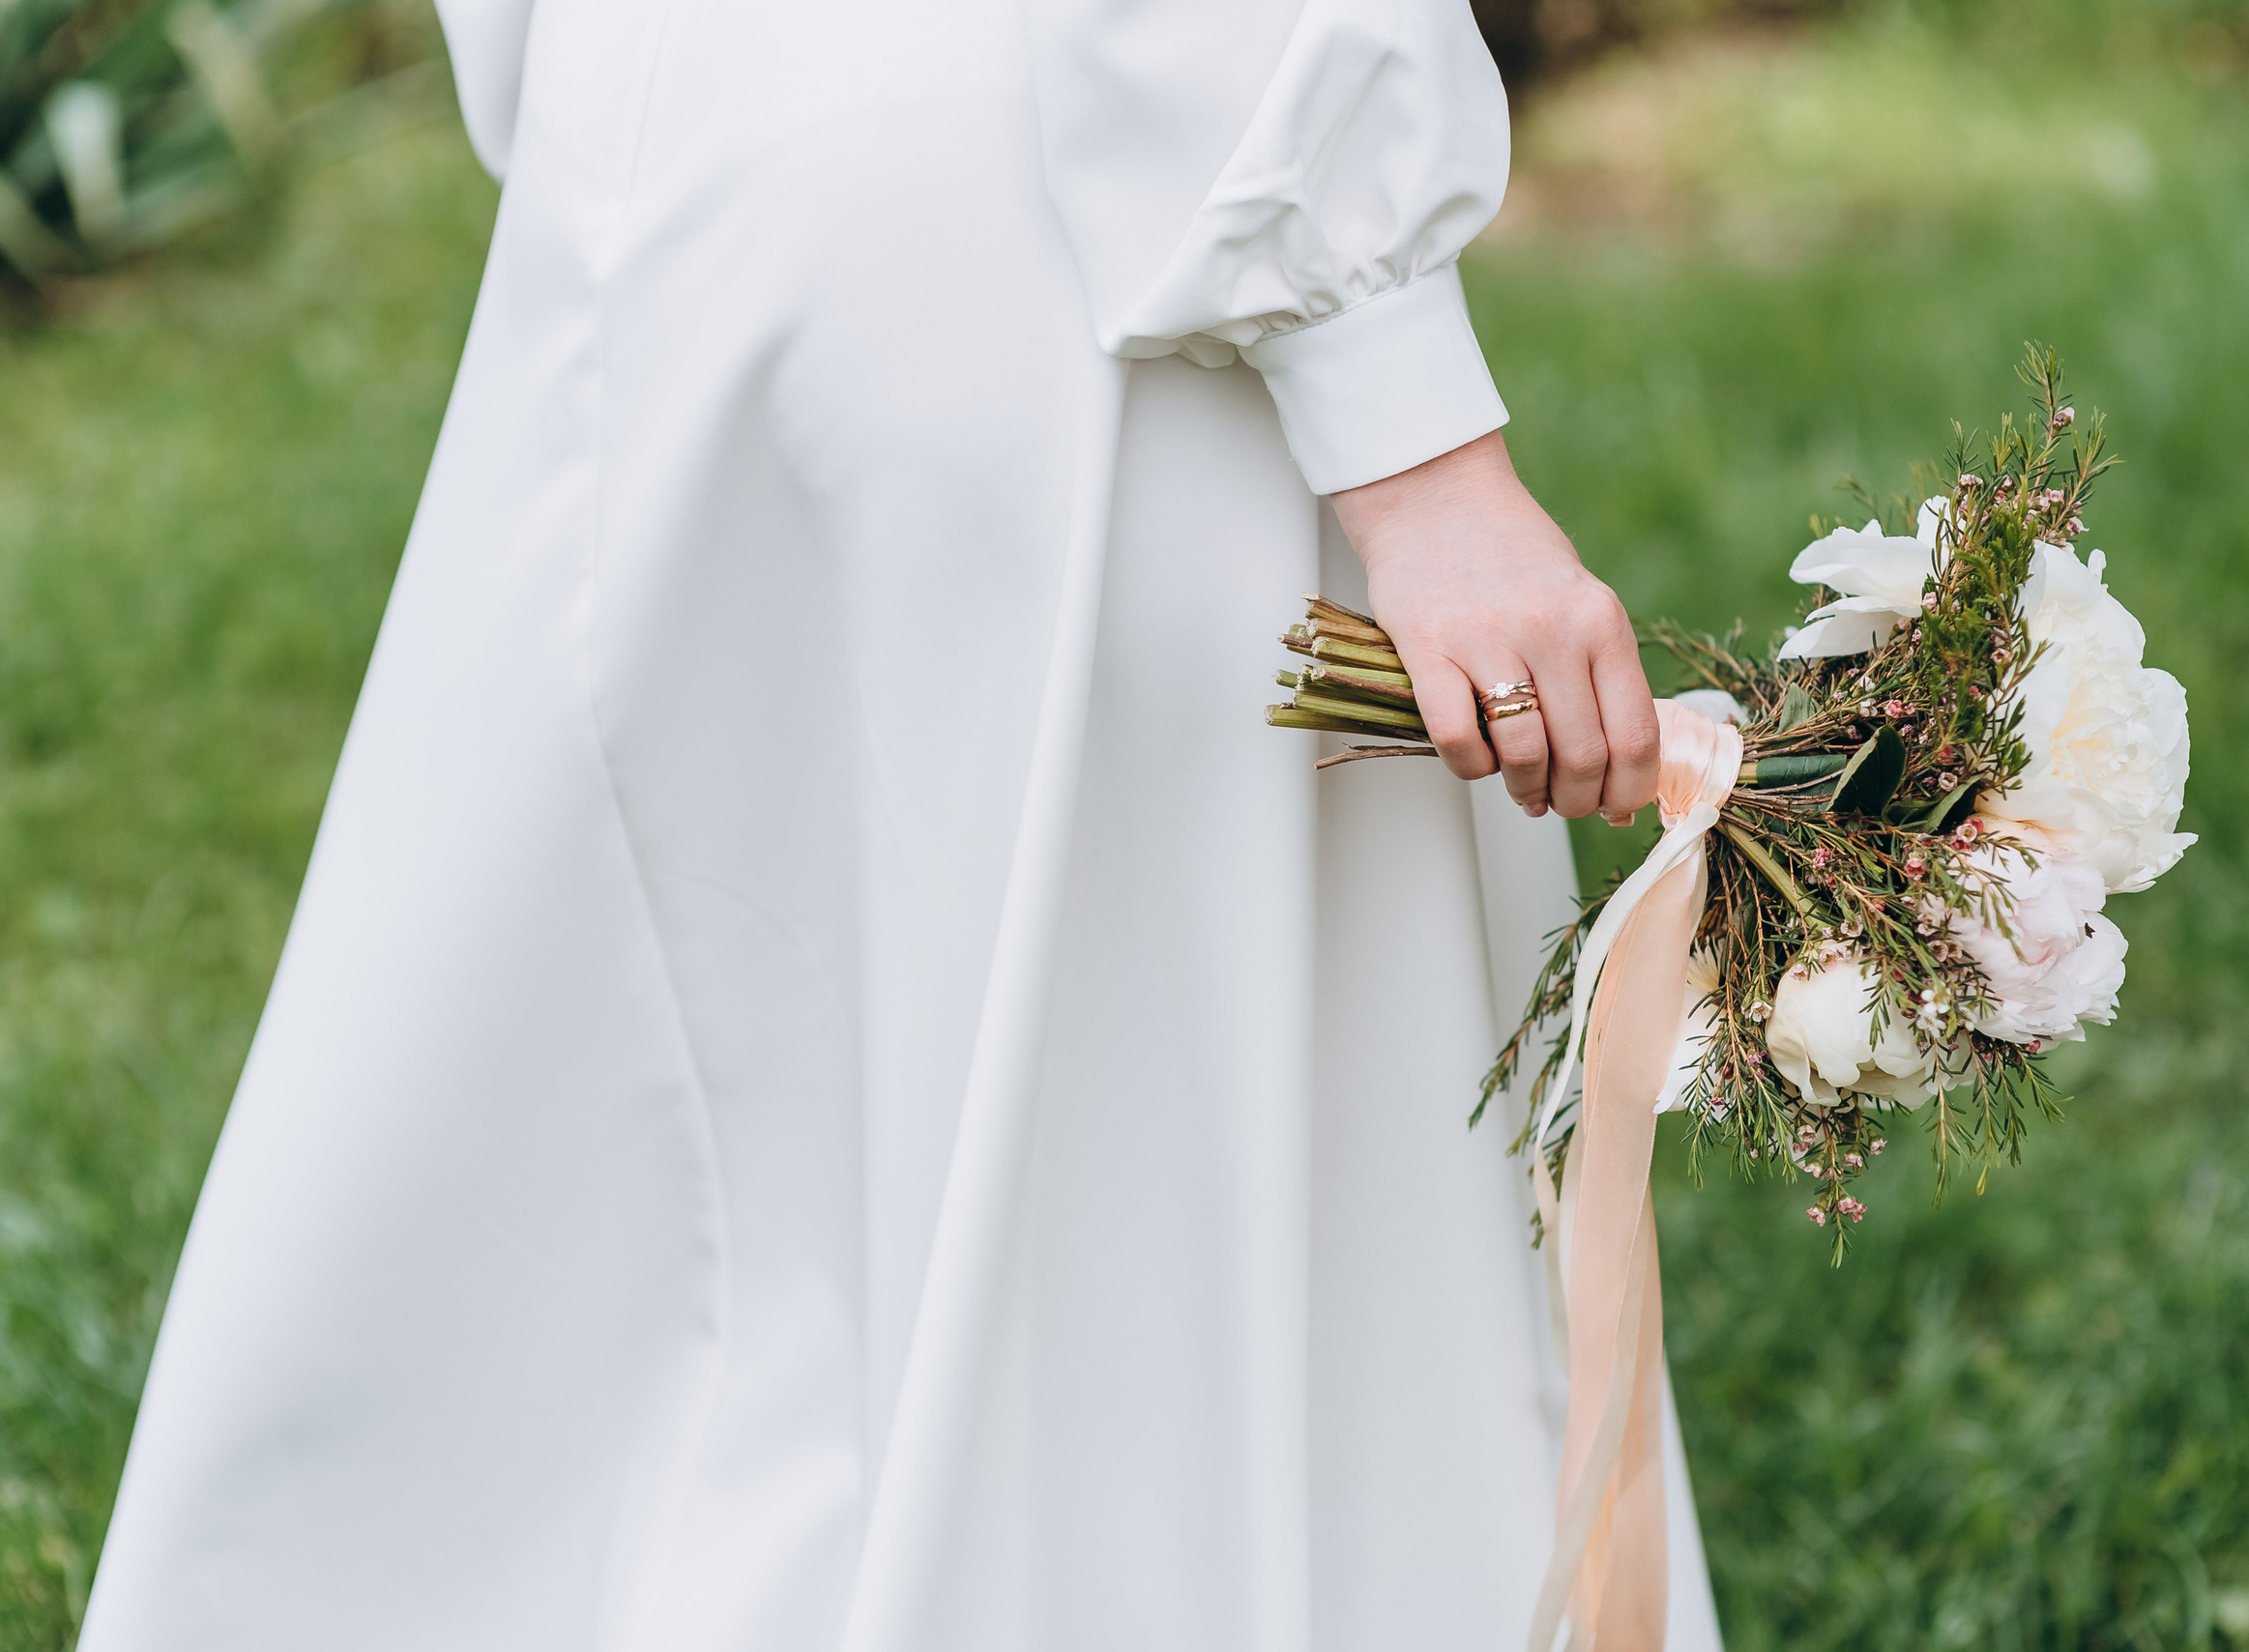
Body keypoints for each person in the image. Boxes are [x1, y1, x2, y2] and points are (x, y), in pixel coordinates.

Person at [80, 2, 1725, 1647]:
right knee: (1096, 1221)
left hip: (682, 210)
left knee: (769, 1246)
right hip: (1066, 251)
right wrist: (1401, 420)